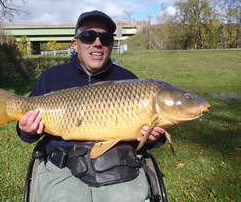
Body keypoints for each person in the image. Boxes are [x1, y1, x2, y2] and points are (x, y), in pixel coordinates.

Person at [17, 10, 166, 202]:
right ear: (75, 44)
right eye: (88, 36)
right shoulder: (51, 78)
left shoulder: (129, 81)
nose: (97, 43)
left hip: (120, 169)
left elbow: (150, 139)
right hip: (62, 168)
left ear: (111, 45)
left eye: (105, 37)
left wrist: (153, 138)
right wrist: (28, 130)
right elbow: (26, 133)